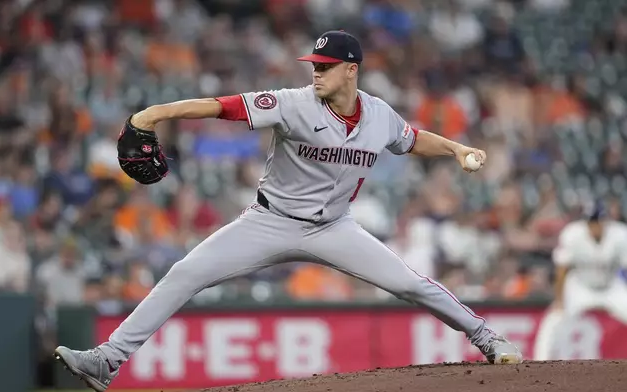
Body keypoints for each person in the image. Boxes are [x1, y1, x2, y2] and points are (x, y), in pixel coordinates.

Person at [54, 31, 522, 392]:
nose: (316, 73)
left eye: (326, 66)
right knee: (184, 273)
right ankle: (108, 359)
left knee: (409, 283)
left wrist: (457, 149)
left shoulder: (379, 115)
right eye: (314, 65)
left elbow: (413, 140)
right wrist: (153, 114)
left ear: (351, 70)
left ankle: (489, 340)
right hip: (269, 221)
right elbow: (220, 107)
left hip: (335, 227)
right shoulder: (291, 104)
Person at [533, 199, 627, 360]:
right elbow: (562, 269)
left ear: (605, 220)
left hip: (611, 286)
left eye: (597, 220)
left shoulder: (620, 234)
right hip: (580, 286)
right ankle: (538, 361)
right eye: (591, 221)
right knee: (553, 320)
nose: (594, 225)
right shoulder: (572, 234)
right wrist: (559, 300)